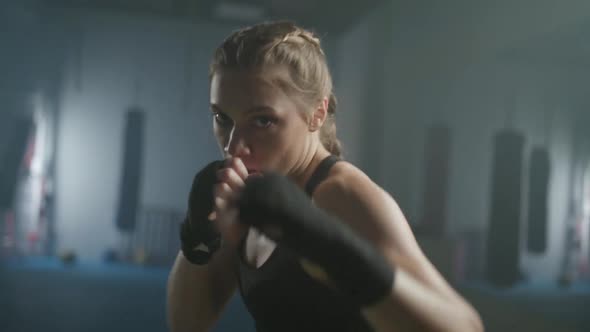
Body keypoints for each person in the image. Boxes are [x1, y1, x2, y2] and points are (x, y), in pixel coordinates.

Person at [167, 21, 483, 332]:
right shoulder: (250, 193)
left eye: (262, 121)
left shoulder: (340, 196)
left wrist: (328, 247)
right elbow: (187, 324)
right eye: (223, 118)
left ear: (317, 113)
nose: (233, 145)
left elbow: (465, 328)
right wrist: (197, 237)